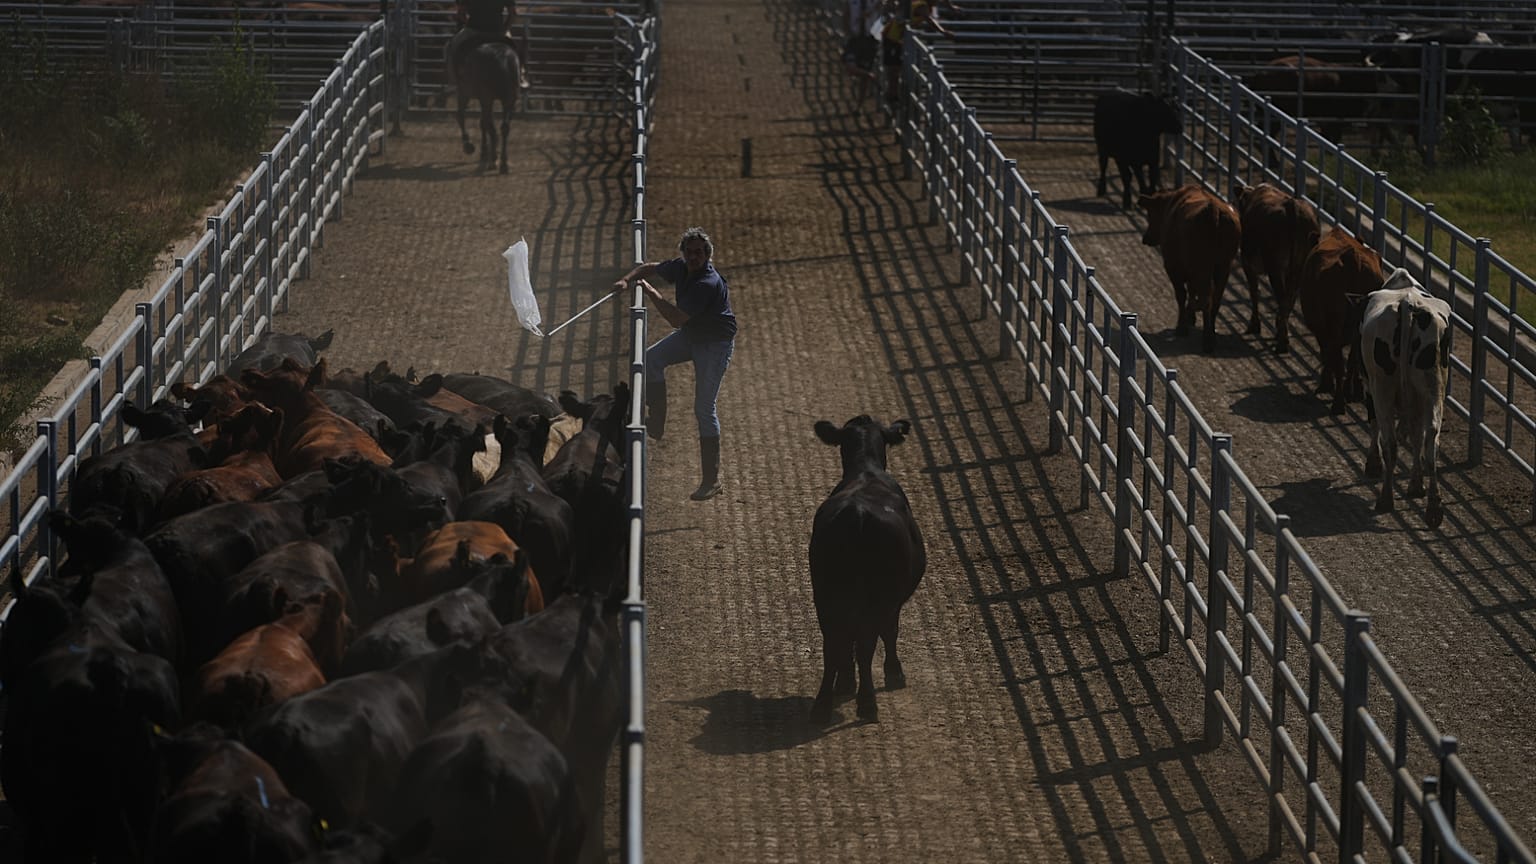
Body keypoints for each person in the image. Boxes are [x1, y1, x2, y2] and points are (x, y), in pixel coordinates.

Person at [613, 228, 737, 501]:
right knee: (650, 359)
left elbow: (676, 319)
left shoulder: (707, 282)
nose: (693, 257)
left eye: (698, 253)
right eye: (689, 252)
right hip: (693, 335)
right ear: (683, 253)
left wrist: (651, 293)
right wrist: (626, 280)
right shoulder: (681, 267)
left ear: (707, 255)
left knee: (704, 409)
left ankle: (711, 480)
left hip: (713, 344)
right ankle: (656, 423)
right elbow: (647, 267)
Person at [880, 0, 955, 107]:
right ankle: (892, 96)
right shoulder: (922, 6)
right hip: (892, 38)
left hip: (896, 38)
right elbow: (929, 20)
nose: (937, 2)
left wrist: (951, 7)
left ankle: (893, 96)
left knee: (895, 69)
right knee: (894, 70)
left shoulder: (924, 5)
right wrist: (943, 31)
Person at [445, 0, 530, 92]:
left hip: (473, 30)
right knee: (515, 49)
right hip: (497, 31)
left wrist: (468, 24)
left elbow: (461, 13)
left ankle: (452, 81)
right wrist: (505, 29)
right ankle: (520, 77)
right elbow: (512, 14)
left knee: (451, 46)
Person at [842, 0, 882, 104]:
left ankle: (859, 104)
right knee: (850, 67)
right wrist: (848, 32)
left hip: (870, 39)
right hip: (855, 38)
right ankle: (870, 75)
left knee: (863, 76)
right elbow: (846, 15)